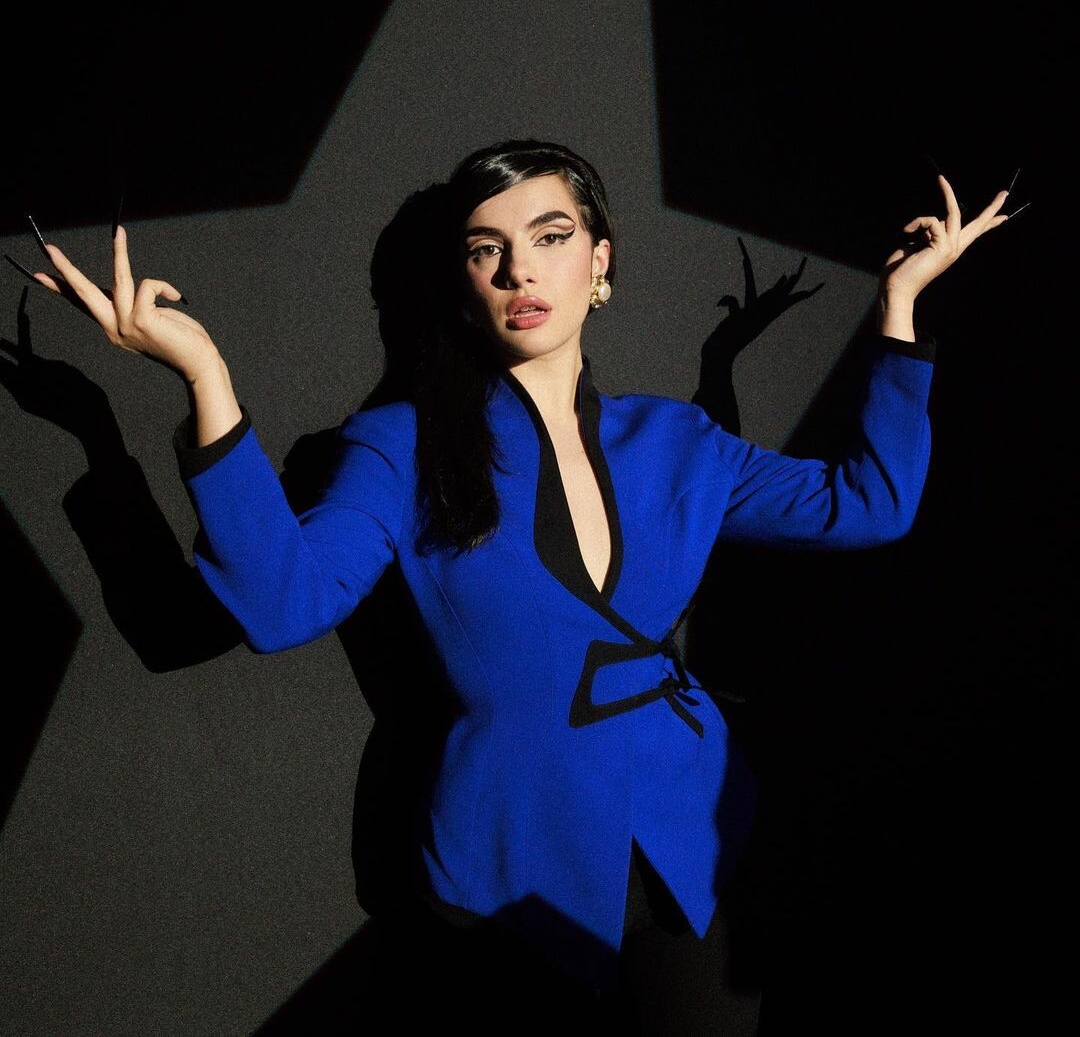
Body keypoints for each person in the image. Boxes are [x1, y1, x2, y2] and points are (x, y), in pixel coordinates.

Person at [26, 140, 1011, 1033]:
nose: (519, 270)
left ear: (600, 262)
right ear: (462, 284)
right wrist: (203, 376)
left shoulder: (678, 440)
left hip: (686, 841)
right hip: (506, 870)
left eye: (550, 235)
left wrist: (899, 308)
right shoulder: (396, 446)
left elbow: (869, 504)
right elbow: (282, 606)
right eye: (485, 249)